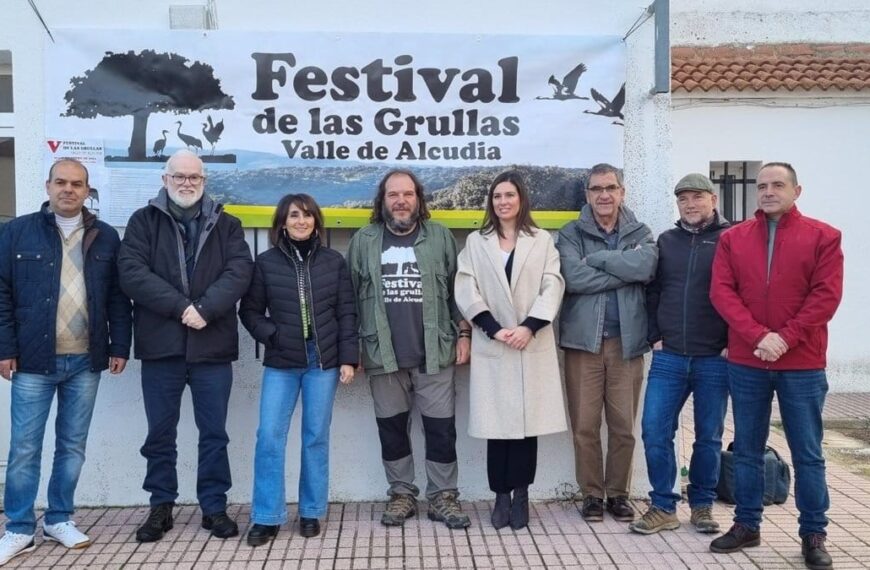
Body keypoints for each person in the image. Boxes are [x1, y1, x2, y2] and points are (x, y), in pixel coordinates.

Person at [709, 162, 843, 570]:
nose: (768, 191)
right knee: (747, 448)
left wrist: (784, 337)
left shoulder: (823, 237)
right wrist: (757, 336)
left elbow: (825, 297)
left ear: (796, 190)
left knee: (808, 453)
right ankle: (747, 524)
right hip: (749, 361)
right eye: (762, 185)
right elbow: (722, 292)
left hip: (801, 363)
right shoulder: (733, 239)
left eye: (777, 185)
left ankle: (813, 533)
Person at [0, 159, 131, 565]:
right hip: (35, 360)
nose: (68, 190)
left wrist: (119, 346)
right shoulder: (17, 232)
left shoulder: (106, 237)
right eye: (61, 182)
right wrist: (5, 348)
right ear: (48, 185)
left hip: (85, 359)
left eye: (77, 184)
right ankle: (18, 528)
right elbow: (1, 293)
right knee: (24, 447)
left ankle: (59, 518)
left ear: (88, 190)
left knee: (72, 446)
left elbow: (117, 298)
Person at [118, 149, 253, 543]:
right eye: (179, 176)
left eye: (194, 177)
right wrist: (182, 308)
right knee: (160, 433)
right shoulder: (143, 222)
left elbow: (239, 271)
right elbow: (131, 272)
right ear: (165, 180)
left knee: (214, 433)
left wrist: (206, 309)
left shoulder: (228, 225)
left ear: (204, 181)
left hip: (212, 347)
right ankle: (161, 506)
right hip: (162, 348)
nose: (186, 183)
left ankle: (214, 506)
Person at [347, 169, 472, 529]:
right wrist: (350, 348)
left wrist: (464, 335)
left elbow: (456, 293)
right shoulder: (364, 241)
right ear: (382, 200)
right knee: (391, 428)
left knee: (441, 429)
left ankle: (443, 497)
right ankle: (402, 494)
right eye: (392, 195)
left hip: (435, 352)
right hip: (381, 354)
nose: (400, 201)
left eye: (407, 194)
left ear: (419, 198)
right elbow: (350, 300)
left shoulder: (440, 238)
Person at [239, 194, 358, 545]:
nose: (301, 221)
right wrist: (272, 335)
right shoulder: (266, 262)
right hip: (282, 362)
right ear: (283, 222)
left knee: (315, 438)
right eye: (294, 216)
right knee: (270, 437)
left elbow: (347, 313)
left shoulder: (334, 262)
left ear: (316, 221)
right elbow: (249, 313)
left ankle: (310, 512)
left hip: (323, 362)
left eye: (307, 215)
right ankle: (267, 516)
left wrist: (349, 358)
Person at [454, 171, 566, 530]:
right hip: (494, 342)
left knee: (525, 428)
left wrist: (528, 327)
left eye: (510, 195)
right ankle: (499, 496)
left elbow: (553, 285)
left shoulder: (541, 240)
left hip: (530, 343)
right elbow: (466, 287)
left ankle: (521, 495)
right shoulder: (476, 241)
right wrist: (491, 328)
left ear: (521, 200)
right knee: (496, 427)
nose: (503, 201)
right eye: (497, 196)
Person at [629, 173, 730, 535]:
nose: (690, 204)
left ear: (713, 199)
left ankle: (702, 505)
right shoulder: (667, 242)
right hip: (669, 356)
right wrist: (655, 336)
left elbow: (743, 293)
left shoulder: (730, 240)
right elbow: (652, 292)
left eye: (697, 197)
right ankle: (663, 506)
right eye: (683, 199)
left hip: (714, 358)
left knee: (709, 435)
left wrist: (732, 340)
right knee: (655, 429)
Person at [556, 163, 657, 523]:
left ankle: (618, 494)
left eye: (610, 188)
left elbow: (645, 269)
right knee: (584, 426)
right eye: (596, 188)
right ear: (587, 194)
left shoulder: (640, 231)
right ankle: (592, 496)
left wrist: (599, 261)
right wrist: (621, 273)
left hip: (626, 344)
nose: (603, 195)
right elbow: (573, 277)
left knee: (622, 426)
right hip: (583, 344)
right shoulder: (570, 234)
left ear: (622, 192)